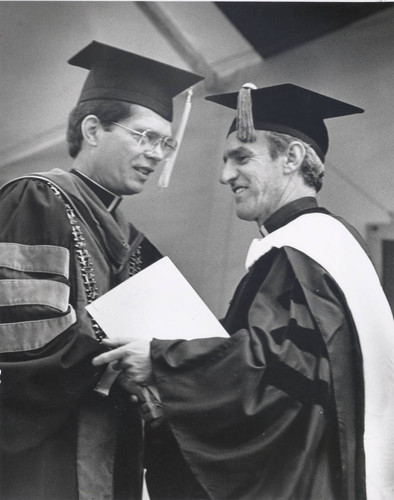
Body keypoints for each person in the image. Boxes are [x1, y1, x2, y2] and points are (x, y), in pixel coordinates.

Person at [93, 83, 394, 500]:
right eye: (224, 160)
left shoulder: (303, 252)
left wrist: (163, 361)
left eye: (241, 157)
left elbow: (278, 371)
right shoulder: (329, 246)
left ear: (291, 158)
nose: (224, 175)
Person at [0, 40, 202, 500]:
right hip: (45, 456)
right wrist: (126, 366)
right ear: (92, 129)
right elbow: (23, 341)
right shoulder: (39, 199)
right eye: (144, 136)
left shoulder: (132, 240)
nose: (156, 154)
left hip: (113, 447)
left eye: (165, 142)